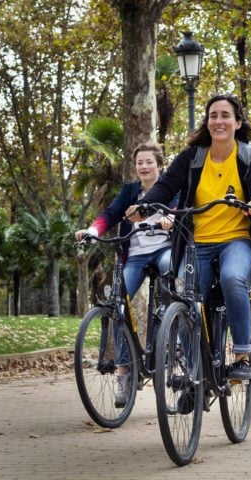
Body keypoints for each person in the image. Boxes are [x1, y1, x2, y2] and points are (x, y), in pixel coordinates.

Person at [131, 94, 251, 382]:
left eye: (225, 115)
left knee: (233, 278)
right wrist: (146, 207)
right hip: (198, 244)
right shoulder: (192, 157)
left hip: (237, 240)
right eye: (213, 116)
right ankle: (196, 372)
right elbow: (167, 184)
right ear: (207, 123)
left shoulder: (249, 154)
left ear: (237, 122)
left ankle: (243, 356)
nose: (218, 121)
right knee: (185, 297)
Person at [74, 141, 177, 407]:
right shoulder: (130, 191)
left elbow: (179, 210)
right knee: (118, 305)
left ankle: (169, 326)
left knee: (170, 279)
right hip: (136, 256)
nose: (144, 166)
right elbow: (110, 214)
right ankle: (125, 370)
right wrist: (93, 231)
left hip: (163, 250)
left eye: (149, 162)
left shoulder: (169, 187)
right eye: (139, 163)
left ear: (159, 165)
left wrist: (171, 220)